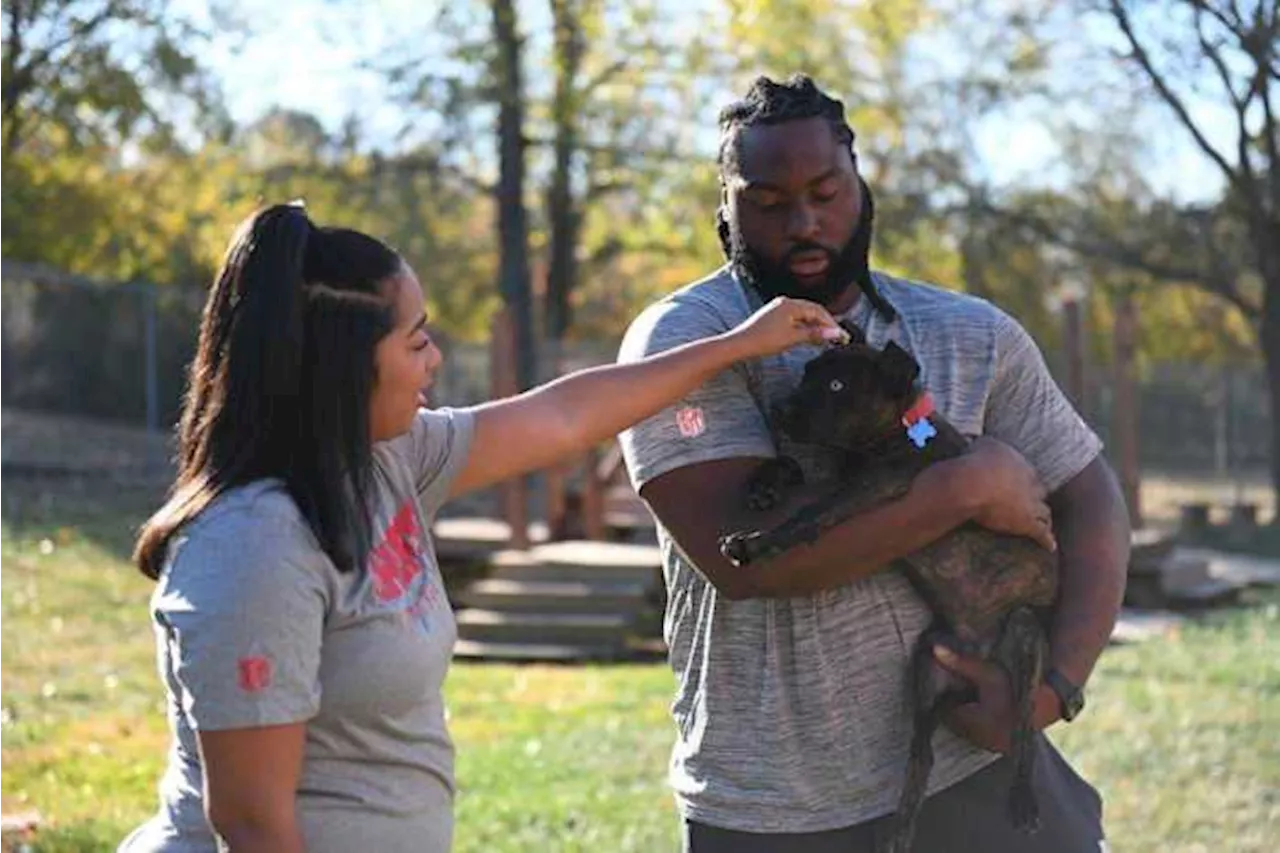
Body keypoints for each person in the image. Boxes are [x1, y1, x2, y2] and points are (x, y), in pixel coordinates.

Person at [118, 202, 845, 853]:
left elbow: (563, 417)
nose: (434, 358)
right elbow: (250, 825)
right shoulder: (255, 545)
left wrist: (738, 344)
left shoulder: (383, 462)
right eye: (416, 340)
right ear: (340, 365)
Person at [617, 74, 1131, 853]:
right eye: (767, 201)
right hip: (775, 808)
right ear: (725, 208)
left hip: (971, 774)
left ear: (860, 183)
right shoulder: (686, 347)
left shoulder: (971, 334)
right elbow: (749, 560)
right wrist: (961, 487)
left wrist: (1053, 689)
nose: (804, 222)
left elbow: (1092, 498)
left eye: (826, 191)